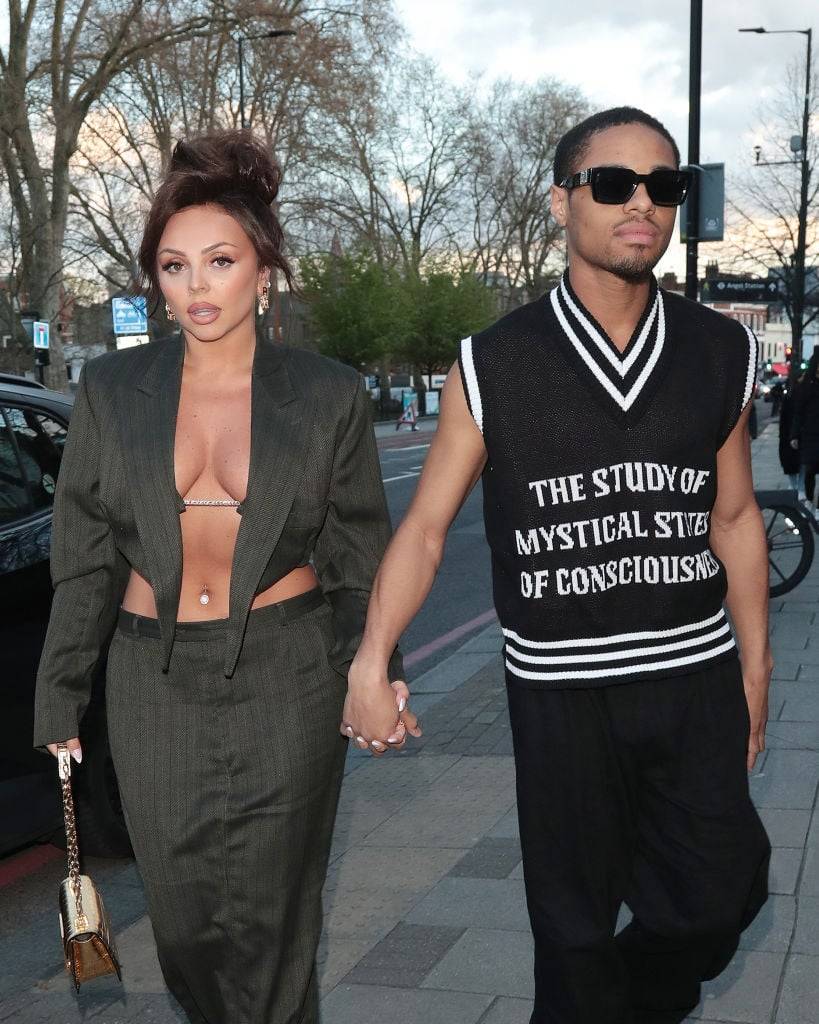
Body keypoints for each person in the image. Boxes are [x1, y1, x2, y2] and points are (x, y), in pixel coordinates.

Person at [343, 107, 771, 1024]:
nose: (641, 204)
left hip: (692, 676)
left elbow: (734, 516)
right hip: (562, 694)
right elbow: (425, 529)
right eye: (612, 184)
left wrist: (756, 667)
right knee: (572, 932)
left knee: (721, 891)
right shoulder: (494, 363)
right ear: (560, 202)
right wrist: (370, 660)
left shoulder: (718, 349)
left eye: (664, 185)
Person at [33, 129, 418, 1024]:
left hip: (287, 675)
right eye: (174, 267)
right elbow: (84, 560)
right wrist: (60, 696)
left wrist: (375, 672)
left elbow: (358, 557)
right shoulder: (111, 392)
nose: (196, 287)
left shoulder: (324, 393)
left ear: (263, 269)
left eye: (219, 261)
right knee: (187, 932)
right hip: (152, 678)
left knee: (275, 924)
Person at [790, 349, 819, 522]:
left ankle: (817, 507)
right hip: (810, 435)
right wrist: (794, 435)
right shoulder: (806, 386)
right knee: (810, 471)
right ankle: (809, 502)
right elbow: (798, 413)